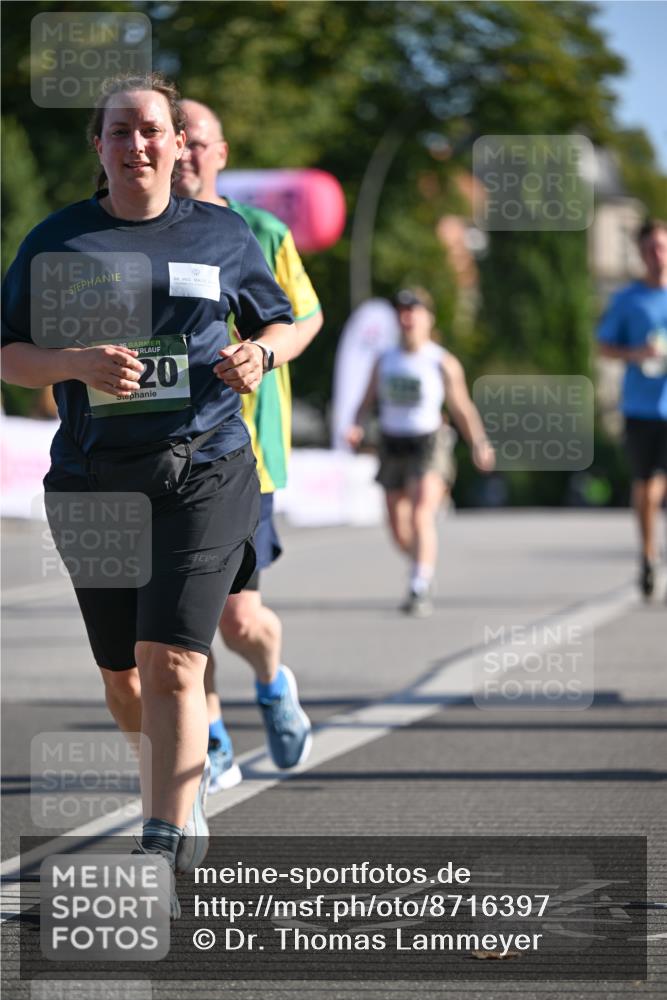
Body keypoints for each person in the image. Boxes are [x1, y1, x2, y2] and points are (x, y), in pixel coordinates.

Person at [1, 73, 303, 917]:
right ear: (98, 147)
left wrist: (262, 356)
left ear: (179, 144)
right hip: (95, 481)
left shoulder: (224, 233)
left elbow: (277, 321)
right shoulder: (58, 243)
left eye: (152, 130)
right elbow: (8, 352)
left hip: (203, 467)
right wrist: (74, 363)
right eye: (120, 131)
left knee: (173, 658)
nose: (137, 144)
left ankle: (161, 845)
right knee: (123, 676)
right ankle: (179, 770)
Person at [174, 99, 322, 790]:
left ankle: (270, 681)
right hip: (161, 455)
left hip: (246, 455)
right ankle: (210, 741)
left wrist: (263, 353)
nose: (183, 154)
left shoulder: (257, 230)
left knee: (238, 618)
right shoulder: (133, 234)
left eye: (195, 142)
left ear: (221, 153)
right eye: (172, 142)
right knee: (181, 620)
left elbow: (307, 316)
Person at [346, 287, 495, 617]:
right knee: (398, 527)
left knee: (420, 513)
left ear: (429, 318)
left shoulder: (441, 361)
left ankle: (419, 585)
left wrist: (479, 443)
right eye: (402, 311)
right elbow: (366, 402)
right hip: (392, 442)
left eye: (414, 311)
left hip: (429, 442)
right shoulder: (385, 359)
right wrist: (356, 424)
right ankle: (420, 563)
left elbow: (461, 408)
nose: (407, 317)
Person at [597, 219, 667, 598]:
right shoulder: (628, 300)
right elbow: (605, 346)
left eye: (662, 246)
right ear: (641, 254)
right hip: (641, 408)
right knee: (647, 487)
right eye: (650, 249)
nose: (657, 255)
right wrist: (637, 354)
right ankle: (648, 554)